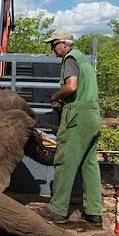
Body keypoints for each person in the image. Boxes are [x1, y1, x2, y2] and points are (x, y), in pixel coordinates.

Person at [40, 29, 103, 225]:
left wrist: (55, 96)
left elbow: (72, 86)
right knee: (89, 164)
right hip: (92, 116)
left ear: (64, 44)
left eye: (54, 44)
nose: (53, 49)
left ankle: (57, 210)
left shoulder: (70, 59)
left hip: (76, 116)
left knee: (64, 161)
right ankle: (94, 212)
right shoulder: (84, 60)